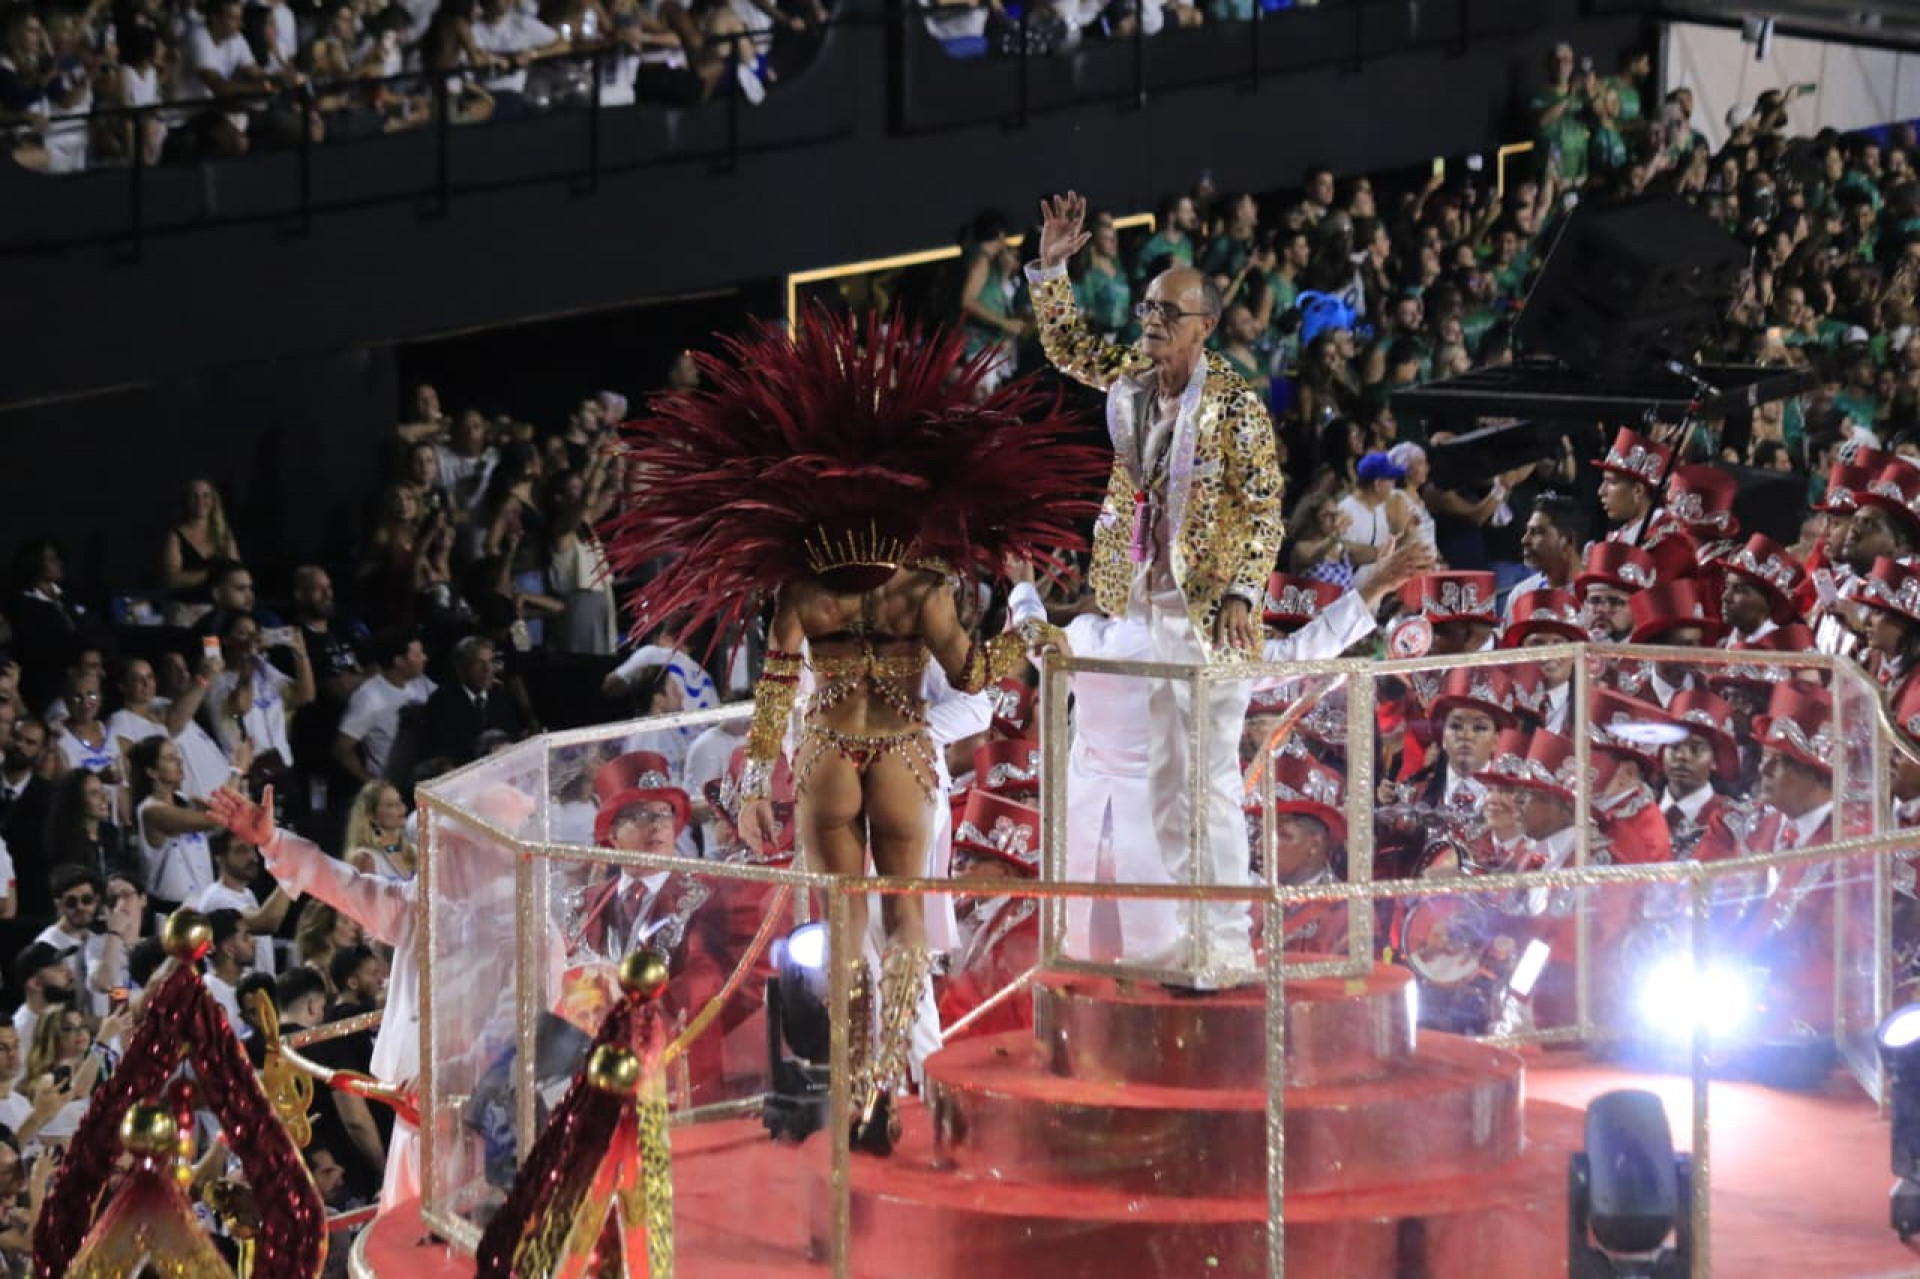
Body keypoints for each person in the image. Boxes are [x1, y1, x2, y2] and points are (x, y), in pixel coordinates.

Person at [602, 305, 1103, 1152]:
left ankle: (869, 1079)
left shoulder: (801, 588)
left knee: (843, 933)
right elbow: (982, 678)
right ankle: (879, 1082)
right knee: (904, 929)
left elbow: (775, 687)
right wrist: (1024, 621)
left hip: (828, 753)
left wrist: (758, 776)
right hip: (905, 753)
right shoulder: (924, 585)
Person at [1025, 190, 1285, 986]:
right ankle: (1187, 933)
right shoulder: (1137, 380)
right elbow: (1069, 347)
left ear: (1205, 325)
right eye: (1145, 309)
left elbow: (1265, 505)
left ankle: (1229, 942)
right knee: (1169, 784)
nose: (1150, 323)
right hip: (1145, 602)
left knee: (1206, 782)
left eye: (1167, 314)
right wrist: (1052, 268)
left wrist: (1243, 589)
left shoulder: (1236, 404)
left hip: (1210, 619)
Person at [208, 779, 538, 1210]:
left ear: (486, 854)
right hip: (410, 1119)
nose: (432, 857)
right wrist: (272, 840)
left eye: (449, 847)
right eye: (434, 846)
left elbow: (514, 1033)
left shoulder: (526, 929)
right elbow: (345, 885)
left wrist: (448, 1075)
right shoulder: (426, 906)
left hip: (479, 1135)